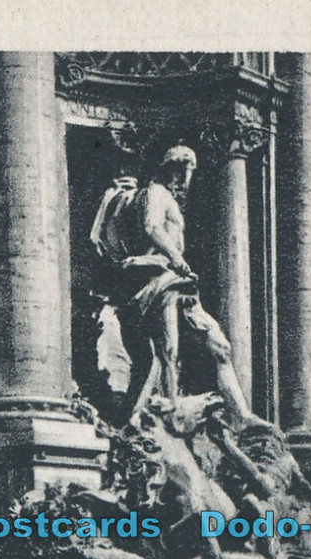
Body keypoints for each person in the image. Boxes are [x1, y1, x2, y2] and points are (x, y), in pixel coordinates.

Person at [90, 145, 257, 425]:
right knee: (167, 350)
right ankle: (171, 407)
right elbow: (151, 227)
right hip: (163, 279)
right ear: (176, 170)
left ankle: (241, 414)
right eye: (187, 172)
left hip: (177, 280)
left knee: (218, 345)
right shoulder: (157, 192)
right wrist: (177, 259)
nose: (188, 179)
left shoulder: (167, 196)